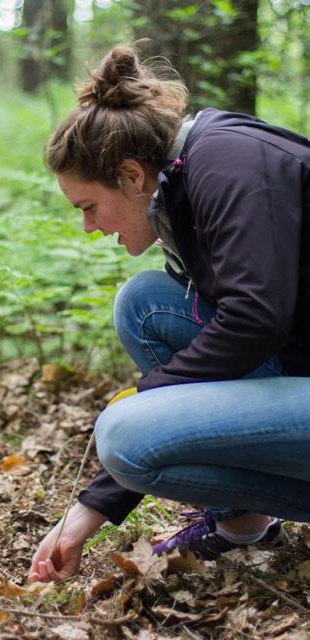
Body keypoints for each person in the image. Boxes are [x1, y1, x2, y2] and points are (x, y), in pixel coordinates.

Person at [28, 44, 310, 584]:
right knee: (144, 304)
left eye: (88, 207)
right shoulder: (183, 181)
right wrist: (91, 508)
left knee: (125, 435)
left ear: (133, 176)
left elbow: (255, 318)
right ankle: (244, 525)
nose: (88, 227)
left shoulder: (229, 162)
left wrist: (147, 393)